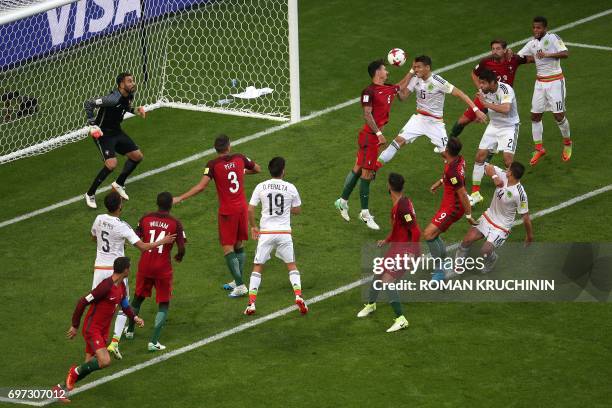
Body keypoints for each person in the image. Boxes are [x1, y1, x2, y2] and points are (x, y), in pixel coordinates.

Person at [91, 191, 176, 360]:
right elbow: (143, 247)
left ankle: (94, 343)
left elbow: (94, 237)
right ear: (119, 206)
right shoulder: (123, 226)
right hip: (116, 271)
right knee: (124, 305)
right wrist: (162, 241)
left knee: (95, 305)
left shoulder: (99, 219)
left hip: (99, 268)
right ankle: (114, 342)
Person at [174, 134, 261, 297]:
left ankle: (241, 286)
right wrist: (241, 171)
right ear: (229, 146)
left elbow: (201, 187)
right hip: (242, 207)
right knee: (238, 244)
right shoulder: (240, 158)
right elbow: (257, 168)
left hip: (228, 211)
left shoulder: (213, 165)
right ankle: (237, 280)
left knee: (227, 247)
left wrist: (180, 197)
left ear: (216, 149)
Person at [334, 59, 413, 230]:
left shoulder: (387, 88)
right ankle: (364, 213)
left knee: (357, 168)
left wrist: (412, 72)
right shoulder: (368, 91)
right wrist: (379, 134)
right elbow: (367, 114)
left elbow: (401, 86)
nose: (388, 72)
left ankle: (342, 201)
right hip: (370, 137)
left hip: (370, 137)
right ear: (378, 72)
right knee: (367, 174)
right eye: (385, 69)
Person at [52, 257, 144, 403]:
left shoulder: (121, 285)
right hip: (92, 329)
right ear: (125, 269)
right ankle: (72, 372)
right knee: (105, 361)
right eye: (130, 267)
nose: (130, 269)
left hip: (102, 330)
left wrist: (134, 317)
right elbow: (82, 302)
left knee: (88, 365)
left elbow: (124, 304)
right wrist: (75, 325)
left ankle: (59, 388)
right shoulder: (105, 286)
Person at [377, 55, 487, 165]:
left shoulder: (437, 81)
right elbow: (403, 97)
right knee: (397, 141)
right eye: (414, 67)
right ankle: (373, 168)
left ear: (427, 67)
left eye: (418, 67)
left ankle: (459, 169)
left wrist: (476, 110)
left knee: (447, 154)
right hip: (419, 119)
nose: (415, 70)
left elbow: (460, 94)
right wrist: (394, 90)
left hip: (435, 123)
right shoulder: (415, 78)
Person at [357, 173, 421, 333]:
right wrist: (387, 240)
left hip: (406, 250)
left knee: (387, 280)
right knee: (378, 274)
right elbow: (399, 229)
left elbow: (415, 230)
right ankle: (371, 305)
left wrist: (413, 252)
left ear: (389, 187)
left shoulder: (403, 207)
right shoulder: (400, 203)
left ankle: (401, 319)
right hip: (396, 248)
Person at [244, 157, 307, 315]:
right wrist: (286, 209)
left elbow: (250, 210)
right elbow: (298, 210)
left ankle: (251, 303)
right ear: (283, 170)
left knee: (258, 267)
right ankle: (298, 296)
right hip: (284, 233)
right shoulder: (290, 187)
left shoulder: (261, 186)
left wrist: (253, 227)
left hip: (266, 233)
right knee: (291, 265)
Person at [125, 192, 187, 351]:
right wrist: (179, 256)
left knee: (138, 298)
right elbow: (181, 247)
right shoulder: (175, 223)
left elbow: (135, 238)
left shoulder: (145, 218)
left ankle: (130, 330)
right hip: (162, 268)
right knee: (164, 303)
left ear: (157, 203)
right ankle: (153, 342)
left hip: (145, 264)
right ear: (170, 205)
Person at [455, 162, 533, 274]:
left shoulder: (520, 194)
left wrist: (529, 235)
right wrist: (495, 177)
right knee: (467, 240)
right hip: (489, 217)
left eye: (508, 169)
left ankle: (492, 259)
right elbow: (487, 166)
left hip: (502, 226)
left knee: (485, 251)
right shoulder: (502, 175)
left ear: (510, 173)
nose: (506, 170)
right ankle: (457, 267)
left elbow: (525, 217)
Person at [83, 72, 146, 208]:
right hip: (103, 134)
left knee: (137, 156)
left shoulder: (129, 95)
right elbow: (88, 103)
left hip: (116, 131)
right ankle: (90, 193)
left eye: (133, 81)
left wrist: (136, 110)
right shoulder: (112, 99)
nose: (133, 83)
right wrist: (92, 125)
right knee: (111, 164)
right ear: (121, 84)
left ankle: (119, 184)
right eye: (129, 81)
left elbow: (125, 108)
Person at [517, 16, 572, 165]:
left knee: (559, 116)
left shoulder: (553, 38)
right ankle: (539, 148)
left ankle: (567, 143)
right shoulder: (532, 44)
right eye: (534, 27)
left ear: (545, 29)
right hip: (540, 83)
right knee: (535, 116)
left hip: (555, 81)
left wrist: (547, 54)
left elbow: (565, 53)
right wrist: (508, 56)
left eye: (539, 28)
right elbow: (520, 57)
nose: (536, 30)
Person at [449, 39, 527, 138]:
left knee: (502, 127)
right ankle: (448, 144)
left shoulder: (513, 59)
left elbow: (531, 58)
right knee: (463, 120)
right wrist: (481, 90)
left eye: (498, 49)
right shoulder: (486, 61)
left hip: (503, 99)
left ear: (505, 50)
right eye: (493, 49)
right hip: (486, 95)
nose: (495, 51)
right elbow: (474, 73)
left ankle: (496, 147)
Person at [425, 137, 477, 281]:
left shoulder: (453, 170)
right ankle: (444, 261)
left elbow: (462, 194)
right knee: (433, 234)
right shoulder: (459, 159)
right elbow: (449, 175)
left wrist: (468, 216)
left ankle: (440, 270)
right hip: (447, 204)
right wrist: (440, 182)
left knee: (429, 234)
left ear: (447, 150)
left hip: (453, 207)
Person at [469, 69, 521, 206]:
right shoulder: (484, 91)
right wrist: (480, 115)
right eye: (480, 83)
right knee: (480, 157)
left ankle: (515, 190)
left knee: (508, 160)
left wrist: (484, 105)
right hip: (493, 125)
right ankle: (475, 194)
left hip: (509, 127)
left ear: (493, 83)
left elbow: (505, 109)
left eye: (483, 83)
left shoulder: (505, 90)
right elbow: (487, 107)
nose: (480, 86)